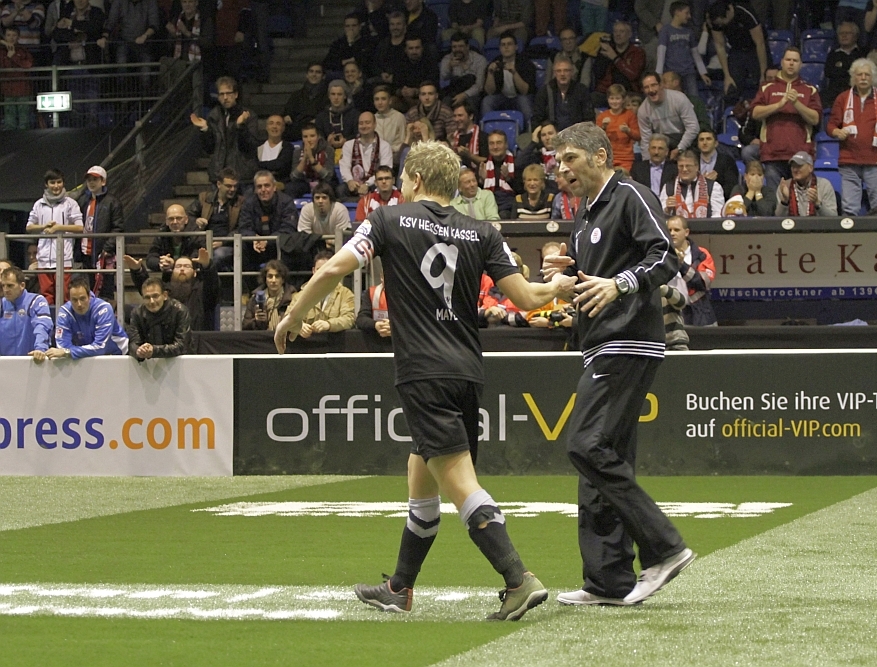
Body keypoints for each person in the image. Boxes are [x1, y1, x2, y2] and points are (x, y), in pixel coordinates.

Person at [274, 140, 578, 620]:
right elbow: (525, 297)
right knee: (421, 477)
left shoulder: (387, 220)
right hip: (466, 372)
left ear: (415, 180)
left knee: (460, 484)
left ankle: (519, 579)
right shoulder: (482, 230)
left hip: (423, 372)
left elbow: (334, 267)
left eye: (403, 180)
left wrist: (293, 314)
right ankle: (399, 588)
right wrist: (556, 286)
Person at [541, 122, 694, 607]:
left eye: (570, 158)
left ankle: (665, 548)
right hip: (599, 343)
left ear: (601, 156)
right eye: (558, 162)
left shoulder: (630, 195)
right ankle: (608, 581)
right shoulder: (584, 213)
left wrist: (619, 284)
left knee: (585, 445)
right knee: (602, 459)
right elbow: (597, 277)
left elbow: (665, 257)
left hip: (627, 341)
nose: (561, 170)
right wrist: (572, 276)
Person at [826, 58, 877, 217]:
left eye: (867, 75)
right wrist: (837, 132)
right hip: (849, 162)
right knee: (849, 210)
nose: (863, 78)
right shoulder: (843, 98)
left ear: (873, 78)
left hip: (876, 161)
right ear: (853, 77)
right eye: (859, 75)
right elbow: (830, 125)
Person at [749, 47, 822, 188]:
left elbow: (815, 119)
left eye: (795, 60)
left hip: (801, 155)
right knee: (775, 199)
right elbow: (755, 113)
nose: (791, 63)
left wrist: (796, 103)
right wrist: (779, 105)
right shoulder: (767, 87)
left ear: (801, 64)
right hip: (772, 154)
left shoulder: (809, 89)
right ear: (782, 62)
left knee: (801, 198)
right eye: (788, 60)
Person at [26, 168, 84, 305]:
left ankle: (64, 319)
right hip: (44, 259)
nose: (56, 186)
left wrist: (59, 227)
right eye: (52, 182)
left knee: (65, 296)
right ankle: (48, 319)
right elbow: (29, 227)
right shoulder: (39, 204)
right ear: (46, 184)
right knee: (46, 297)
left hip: (64, 259)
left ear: (63, 183)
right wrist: (43, 226)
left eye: (59, 182)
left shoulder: (70, 203)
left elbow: (80, 227)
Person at [191, 76, 262, 184]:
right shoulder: (214, 116)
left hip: (243, 175)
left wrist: (240, 126)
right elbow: (209, 149)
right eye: (221, 94)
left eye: (228, 93)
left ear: (236, 94)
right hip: (219, 176)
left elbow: (250, 146)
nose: (225, 97)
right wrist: (205, 129)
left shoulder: (248, 116)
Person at [128, 250, 220, 331]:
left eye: (187, 266)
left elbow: (212, 285)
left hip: (197, 340)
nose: (182, 269)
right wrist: (137, 271)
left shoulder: (202, 291)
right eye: (178, 266)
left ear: (195, 273)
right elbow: (148, 289)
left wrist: (207, 266)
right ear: (172, 271)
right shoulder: (165, 291)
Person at [45, 276, 127, 359]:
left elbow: (100, 347)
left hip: (117, 354)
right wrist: (68, 352)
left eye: (82, 298)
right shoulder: (65, 312)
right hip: (83, 356)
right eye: (74, 300)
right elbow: (62, 347)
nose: (79, 304)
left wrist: (69, 352)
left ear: (89, 297)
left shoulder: (103, 309)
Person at [75, 164, 124, 301]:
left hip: (104, 253)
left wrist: (107, 248)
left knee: (105, 290)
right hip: (85, 253)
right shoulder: (82, 201)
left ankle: (107, 311)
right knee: (87, 290)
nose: (91, 183)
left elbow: (118, 228)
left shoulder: (113, 202)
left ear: (103, 181)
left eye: (95, 179)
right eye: (89, 180)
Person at [708, 0, 768, 104]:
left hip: (755, 48)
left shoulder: (745, 12)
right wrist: (727, 75)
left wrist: (763, 74)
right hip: (736, 49)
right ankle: (731, 110)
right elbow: (720, 46)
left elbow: (760, 43)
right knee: (731, 86)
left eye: (722, 22)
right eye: (719, 24)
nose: (721, 25)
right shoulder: (715, 20)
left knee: (763, 84)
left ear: (728, 13)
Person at [286, 251, 356, 337]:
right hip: (307, 343)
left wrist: (329, 324)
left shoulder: (345, 294)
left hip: (335, 343)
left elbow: (349, 319)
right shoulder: (300, 295)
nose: (323, 274)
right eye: (319, 270)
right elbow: (287, 317)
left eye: (327, 269)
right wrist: (299, 326)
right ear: (313, 271)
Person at [238, 170, 299, 266]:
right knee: (242, 245)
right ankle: (244, 276)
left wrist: (267, 241)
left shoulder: (286, 202)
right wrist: (254, 238)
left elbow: (288, 229)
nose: (263, 190)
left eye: (267, 185)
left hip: (277, 246)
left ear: (274, 187)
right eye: (259, 186)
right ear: (255, 190)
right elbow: (244, 227)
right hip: (255, 247)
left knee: (289, 243)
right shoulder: (248, 204)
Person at [188, 166, 243, 269]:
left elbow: (242, 227)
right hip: (204, 242)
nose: (232, 189)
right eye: (228, 186)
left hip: (227, 244)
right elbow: (188, 216)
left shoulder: (240, 202)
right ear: (219, 184)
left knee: (217, 255)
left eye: (235, 186)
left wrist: (223, 241)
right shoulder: (204, 198)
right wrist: (196, 220)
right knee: (189, 259)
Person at [666, 215, 716, 325]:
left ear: (686, 232)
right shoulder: (660, 254)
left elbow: (703, 283)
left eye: (676, 230)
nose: (672, 233)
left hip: (699, 314)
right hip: (668, 313)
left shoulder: (701, 254)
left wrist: (681, 265)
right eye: (669, 230)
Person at [637, 72, 699, 161]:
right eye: (646, 87)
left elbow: (693, 127)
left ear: (661, 85)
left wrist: (680, 148)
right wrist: (647, 163)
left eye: (653, 85)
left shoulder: (679, 99)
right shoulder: (643, 110)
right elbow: (646, 140)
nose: (651, 90)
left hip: (685, 141)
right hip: (662, 144)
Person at [127, 277, 191, 361]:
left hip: (180, 362)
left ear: (165, 295)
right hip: (147, 363)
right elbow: (133, 343)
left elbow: (181, 346)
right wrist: (139, 351)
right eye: (147, 297)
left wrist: (154, 350)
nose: (152, 301)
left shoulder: (180, 311)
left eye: (155, 296)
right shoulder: (137, 313)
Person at [655, 1, 710, 98]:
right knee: (672, 98)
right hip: (671, 72)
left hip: (689, 72)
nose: (689, 16)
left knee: (694, 98)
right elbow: (661, 52)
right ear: (677, 12)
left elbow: (695, 53)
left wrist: (702, 73)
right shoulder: (665, 30)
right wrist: (659, 73)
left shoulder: (689, 31)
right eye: (686, 13)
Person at [0, 266, 52, 360]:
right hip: (5, 362)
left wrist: (40, 348)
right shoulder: (1, 304)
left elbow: (43, 325)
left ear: (22, 285)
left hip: (31, 360)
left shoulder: (36, 301)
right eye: (3, 285)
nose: (6, 290)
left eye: (10, 286)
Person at [481, 30, 536, 120]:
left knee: (523, 101)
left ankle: (531, 127)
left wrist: (514, 73)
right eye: (503, 45)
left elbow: (525, 91)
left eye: (509, 44)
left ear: (516, 47)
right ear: (500, 48)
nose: (506, 47)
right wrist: (490, 73)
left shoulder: (526, 63)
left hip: (520, 97)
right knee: (487, 101)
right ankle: (487, 128)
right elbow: (489, 92)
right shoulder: (495, 63)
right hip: (502, 97)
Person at [533, 54, 595, 132]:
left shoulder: (581, 90)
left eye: (566, 70)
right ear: (554, 73)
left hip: (576, 134)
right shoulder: (544, 91)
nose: (562, 74)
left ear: (572, 72)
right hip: (552, 135)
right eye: (559, 71)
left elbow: (589, 118)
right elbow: (537, 119)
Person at [338, 111, 393, 199]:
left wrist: (367, 184)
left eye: (367, 123)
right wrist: (349, 181)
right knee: (341, 190)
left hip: (374, 184)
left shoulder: (384, 146)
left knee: (383, 186)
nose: (364, 126)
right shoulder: (348, 145)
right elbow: (345, 166)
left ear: (375, 124)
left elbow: (385, 171)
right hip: (354, 184)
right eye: (361, 123)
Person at [591, 21, 646, 107]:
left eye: (621, 31)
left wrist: (615, 58)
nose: (617, 34)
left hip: (628, 92)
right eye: (615, 31)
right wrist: (602, 57)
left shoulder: (637, 52)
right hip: (606, 92)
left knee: (634, 102)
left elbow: (633, 75)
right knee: (589, 100)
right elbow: (598, 74)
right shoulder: (606, 50)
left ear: (629, 34)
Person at [661, 149, 725, 218]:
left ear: (697, 167)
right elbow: (660, 215)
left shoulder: (713, 187)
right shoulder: (668, 187)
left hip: (705, 224)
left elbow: (718, 215)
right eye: (681, 166)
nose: (684, 169)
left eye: (688, 166)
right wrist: (667, 210)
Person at [775, 152, 839, 217]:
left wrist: (818, 204)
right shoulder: (785, 186)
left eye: (799, 166)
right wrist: (784, 201)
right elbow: (778, 219)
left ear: (810, 168)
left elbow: (833, 217)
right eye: (793, 166)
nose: (795, 169)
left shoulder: (824, 185)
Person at [145, 204, 204, 272]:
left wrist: (174, 263)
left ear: (186, 220)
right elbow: (151, 257)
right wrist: (161, 263)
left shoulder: (196, 234)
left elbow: (197, 259)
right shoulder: (162, 233)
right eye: (171, 219)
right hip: (169, 276)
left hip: (192, 275)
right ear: (167, 221)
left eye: (179, 218)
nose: (175, 222)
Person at [286, 122, 338, 199]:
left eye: (312, 136)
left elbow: (328, 176)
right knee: (290, 187)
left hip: (323, 182)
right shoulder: (298, 152)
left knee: (330, 186)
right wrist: (304, 158)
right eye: (305, 137)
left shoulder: (328, 150)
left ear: (318, 136)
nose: (309, 140)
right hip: (305, 183)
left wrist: (311, 158)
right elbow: (294, 177)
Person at [597, 84, 641, 173]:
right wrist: (603, 127)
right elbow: (596, 139)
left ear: (623, 100)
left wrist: (628, 130)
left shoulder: (629, 115)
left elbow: (638, 136)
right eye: (612, 98)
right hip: (607, 158)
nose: (614, 101)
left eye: (617, 98)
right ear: (608, 99)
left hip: (626, 159)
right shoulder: (602, 116)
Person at [822, 22, 866, 109]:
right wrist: (849, 70)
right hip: (835, 93)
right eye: (841, 33)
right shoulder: (832, 54)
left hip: (856, 92)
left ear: (855, 36)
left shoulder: (862, 53)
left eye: (848, 33)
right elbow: (828, 72)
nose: (844, 36)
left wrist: (841, 69)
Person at [282, 63, 330, 141]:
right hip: (296, 131)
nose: (314, 74)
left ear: (323, 76)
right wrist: (287, 116)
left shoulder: (328, 96)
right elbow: (287, 112)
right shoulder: (296, 95)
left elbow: (326, 114)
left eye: (318, 72)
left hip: (317, 131)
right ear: (307, 75)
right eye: (311, 71)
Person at [315, 81, 360, 164]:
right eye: (333, 94)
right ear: (329, 96)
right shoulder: (321, 117)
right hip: (326, 156)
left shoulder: (355, 115)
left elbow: (359, 136)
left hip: (351, 155)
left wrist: (346, 141)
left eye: (339, 94)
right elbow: (317, 137)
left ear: (345, 96)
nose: (336, 97)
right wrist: (326, 142)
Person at [243, 259, 295, 331]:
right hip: (263, 336)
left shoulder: (292, 298)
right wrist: (256, 321)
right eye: (270, 276)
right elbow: (245, 327)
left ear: (282, 280)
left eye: (277, 276)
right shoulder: (255, 299)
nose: (273, 280)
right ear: (265, 279)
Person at [439, 31, 487, 110]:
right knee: (445, 103)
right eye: (454, 47)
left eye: (461, 46)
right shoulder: (447, 59)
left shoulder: (480, 60)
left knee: (469, 103)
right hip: (453, 92)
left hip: (472, 94)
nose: (457, 49)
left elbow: (479, 86)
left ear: (467, 46)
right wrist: (449, 67)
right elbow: (443, 79)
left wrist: (464, 95)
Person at [479, 130, 518, 219]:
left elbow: (522, 191)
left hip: (508, 204)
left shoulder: (516, 163)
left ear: (506, 145)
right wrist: (482, 181)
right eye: (491, 143)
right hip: (488, 203)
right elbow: (477, 193)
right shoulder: (483, 165)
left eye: (499, 143)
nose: (495, 147)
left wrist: (508, 178)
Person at [0, 26, 33, 130]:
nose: (11, 38)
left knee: (24, 122)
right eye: (8, 35)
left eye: (14, 35)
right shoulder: (1, 51)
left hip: (23, 90)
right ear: (4, 37)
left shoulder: (23, 50)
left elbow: (28, 64)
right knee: (9, 122)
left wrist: (13, 56)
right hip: (7, 90)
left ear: (18, 37)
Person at [514, 121, 559, 191]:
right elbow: (518, 163)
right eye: (543, 135)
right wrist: (533, 142)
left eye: (550, 133)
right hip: (541, 194)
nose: (547, 138)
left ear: (558, 135)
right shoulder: (538, 156)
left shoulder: (565, 155)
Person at [696, 130, 738, 199]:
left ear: (716, 143)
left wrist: (712, 189)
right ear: (698, 144)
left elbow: (731, 187)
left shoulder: (727, 161)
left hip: (720, 201)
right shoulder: (692, 160)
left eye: (708, 139)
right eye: (701, 140)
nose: (704, 142)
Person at [450, 100, 488, 171]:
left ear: (471, 116)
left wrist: (470, 156)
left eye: (460, 115)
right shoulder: (453, 137)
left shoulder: (482, 136)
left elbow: (488, 162)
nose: (456, 119)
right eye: (455, 116)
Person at [372, 85, 406, 163]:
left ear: (390, 101)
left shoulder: (399, 117)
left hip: (395, 156)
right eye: (377, 99)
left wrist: (391, 149)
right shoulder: (372, 118)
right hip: (377, 157)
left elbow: (403, 140)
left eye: (383, 99)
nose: (380, 102)